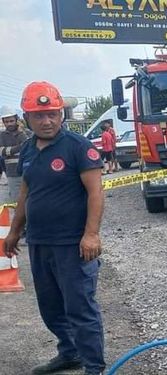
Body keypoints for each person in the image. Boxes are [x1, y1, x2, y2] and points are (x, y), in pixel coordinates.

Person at [4, 81, 106, 375]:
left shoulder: (78, 147)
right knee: (50, 307)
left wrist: (91, 234)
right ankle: (69, 352)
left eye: (52, 113)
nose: (47, 120)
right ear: (27, 118)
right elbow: (26, 192)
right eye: (39, 115)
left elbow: (96, 193)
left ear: (61, 114)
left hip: (72, 244)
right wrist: (14, 231)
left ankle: (94, 367)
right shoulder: (27, 150)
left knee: (80, 308)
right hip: (39, 242)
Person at [0, 113, 30, 203]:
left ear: (17, 120)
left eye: (11, 121)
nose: (9, 124)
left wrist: (21, 133)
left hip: (28, 172)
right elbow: (2, 152)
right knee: (16, 202)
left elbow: (30, 148)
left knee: (31, 201)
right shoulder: (1, 136)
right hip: (12, 174)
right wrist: (21, 146)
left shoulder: (26, 133)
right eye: (6, 122)